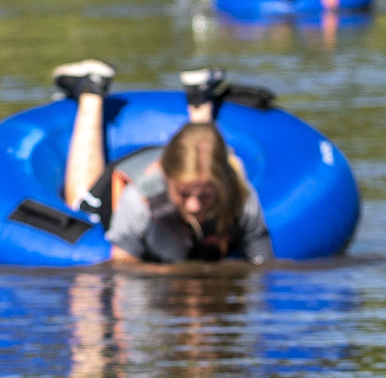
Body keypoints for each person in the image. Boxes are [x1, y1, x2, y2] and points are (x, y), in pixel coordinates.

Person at [51, 60, 275, 263]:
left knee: (205, 158)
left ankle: (201, 104)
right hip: (125, 179)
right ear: (167, 178)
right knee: (79, 202)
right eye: (184, 193)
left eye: (206, 194)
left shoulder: (240, 195)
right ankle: (91, 93)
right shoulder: (139, 202)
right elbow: (122, 272)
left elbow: (263, 265)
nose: (194, 206)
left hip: (196, 164)